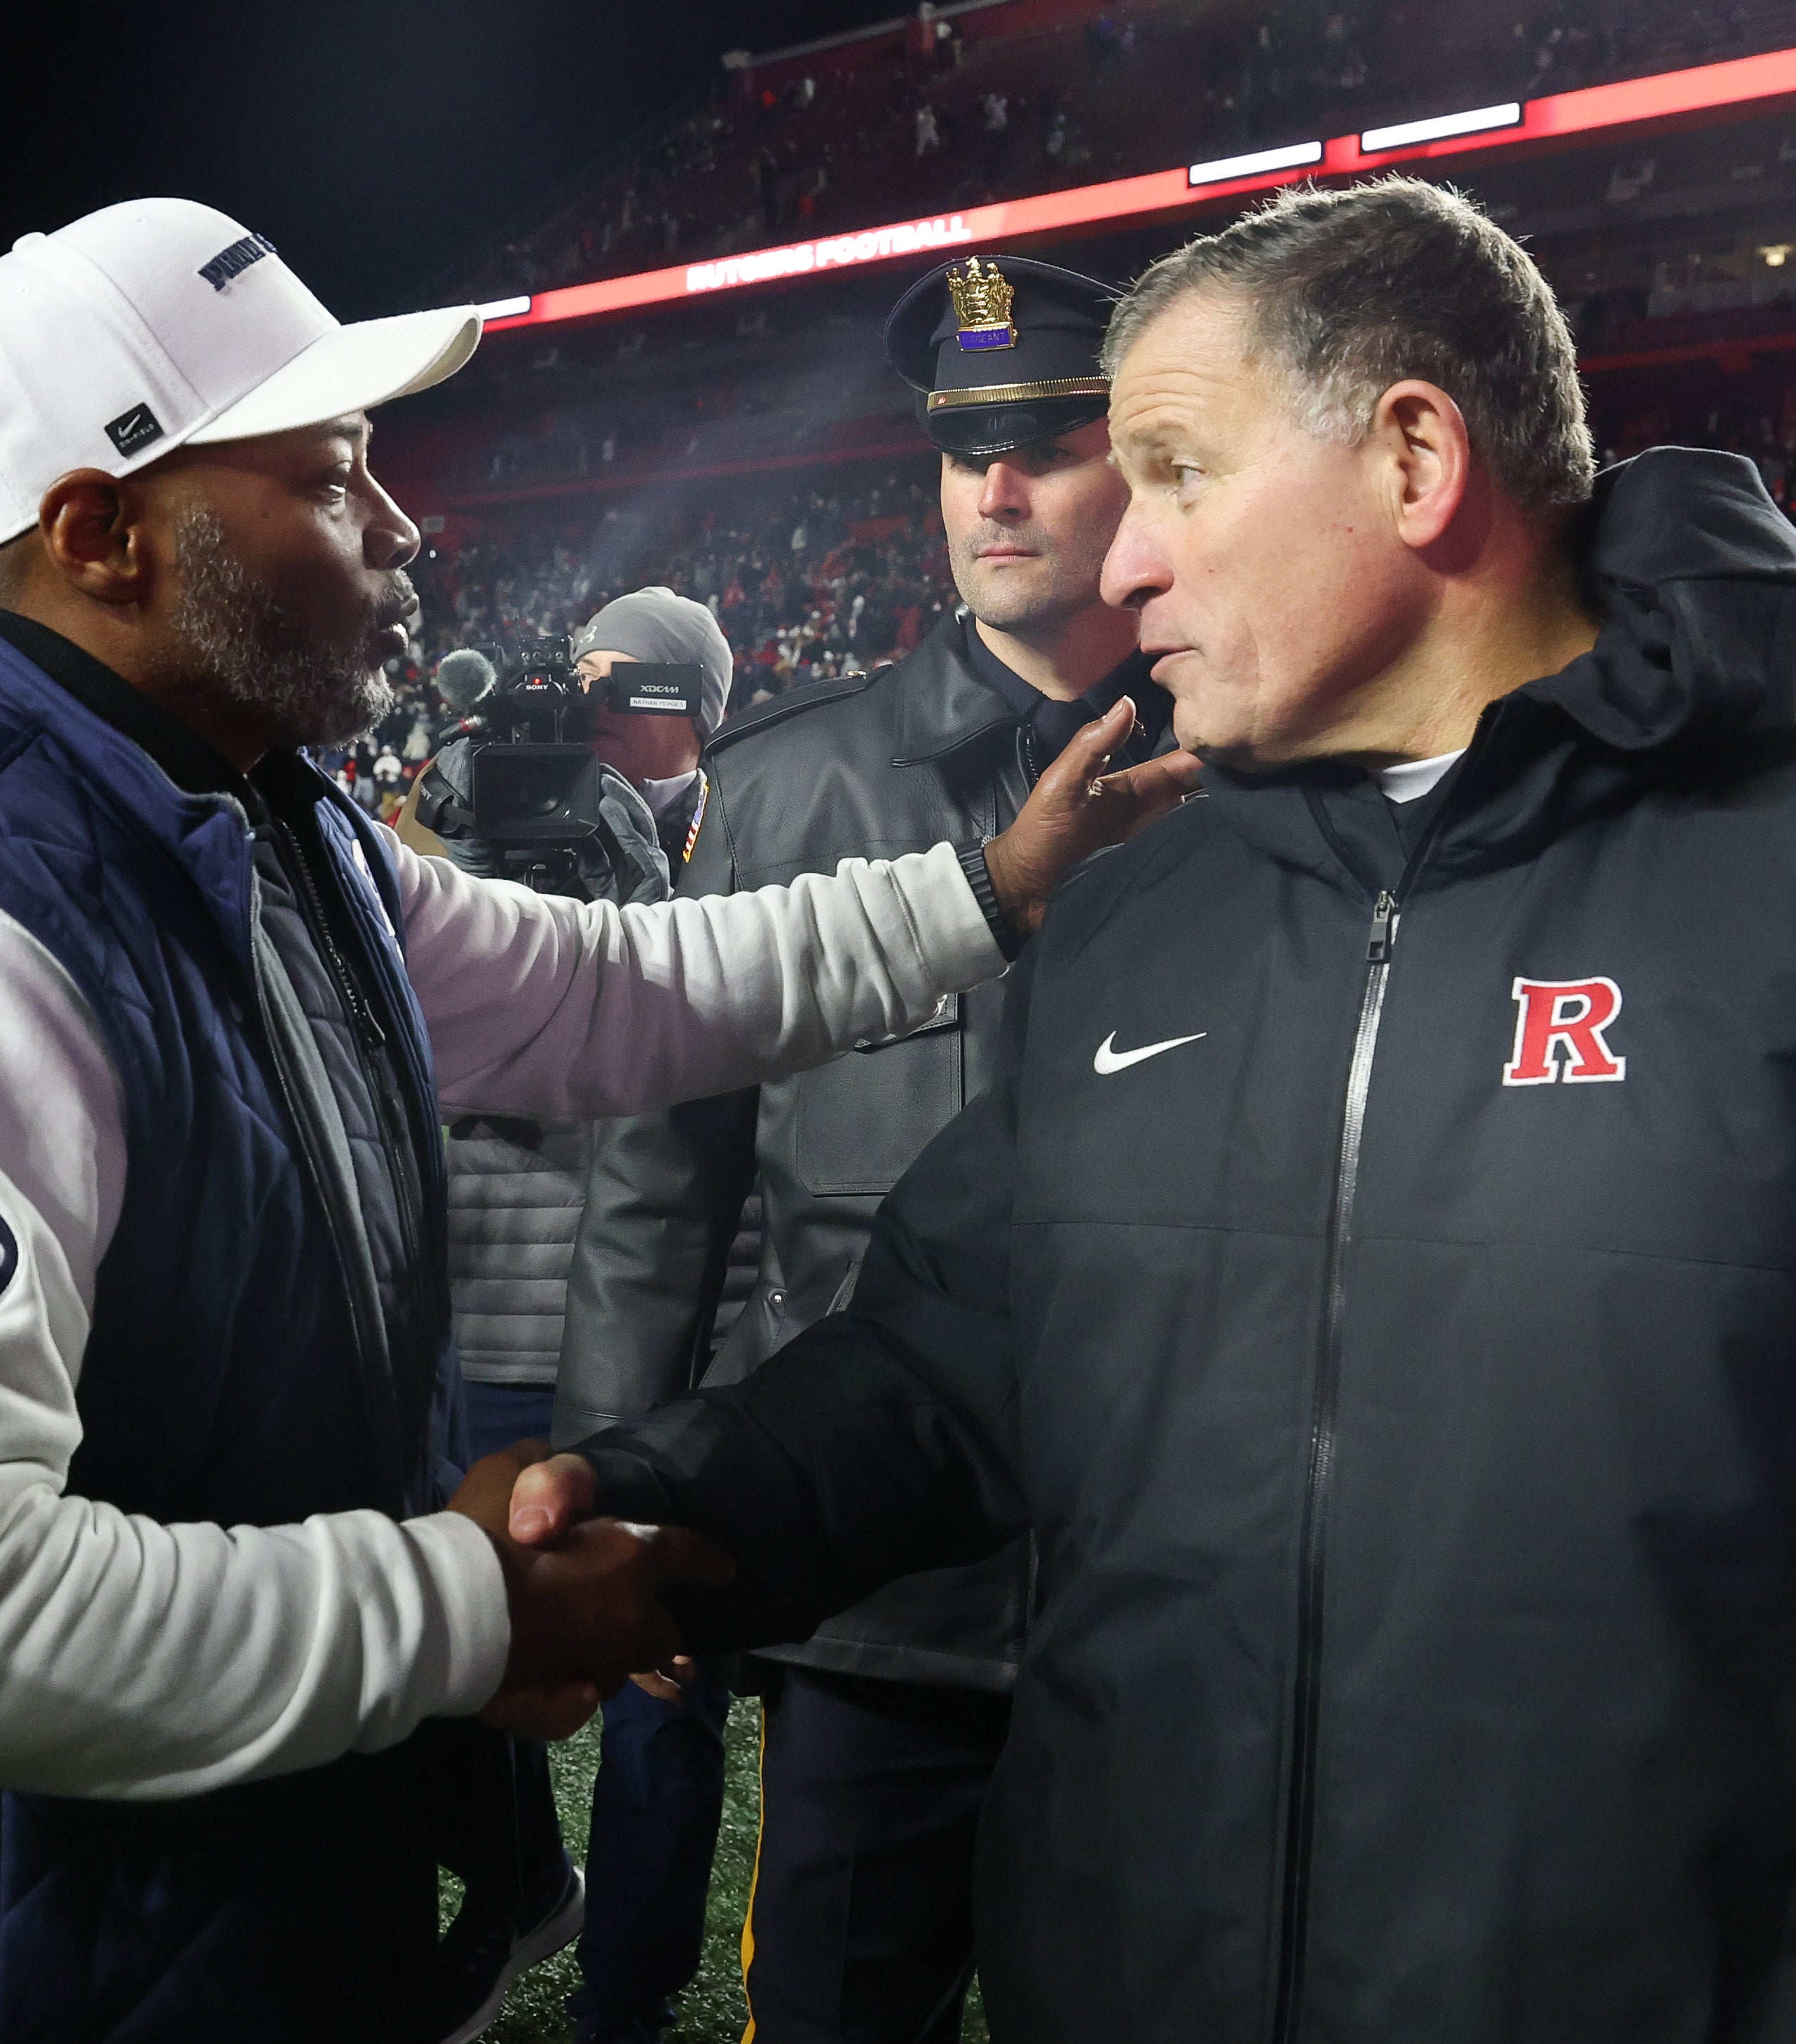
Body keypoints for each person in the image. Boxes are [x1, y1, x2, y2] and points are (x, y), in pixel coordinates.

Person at [512, 176, 1796, 2041]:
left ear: (1417, 461)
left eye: (1175, 473)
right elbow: (953, 1354)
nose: (1117, 560)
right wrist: (677, 1499)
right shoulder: (1153, 898)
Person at [0, 198, 1191, 2043]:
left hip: (198, 1919)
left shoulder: (256, 819)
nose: (401, 525)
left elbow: (616, 990)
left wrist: (990, 890)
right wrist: (476, 1607)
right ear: (98, 532)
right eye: (327, 476)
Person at [556, 254, 1165, 2044]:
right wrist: (631, 1473)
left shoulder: (1273, 767)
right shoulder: (789, 787)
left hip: (1173, 1567)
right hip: (869, 1586)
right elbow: (664, 1177)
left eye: (1049, 440)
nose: (996, 489)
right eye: (963, 447)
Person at [401, 585, 745, 2033]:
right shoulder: (458, 815)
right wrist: (444, 828)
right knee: (465, 1658)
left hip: (656, 1329)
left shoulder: (749, 835)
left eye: (630, 690)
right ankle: (528, 1881)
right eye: (579, 688)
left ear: (692, 714)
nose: (593, 719)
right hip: (476, 1312)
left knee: (663, 1688)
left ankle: (631, 1991)